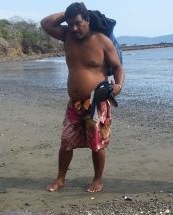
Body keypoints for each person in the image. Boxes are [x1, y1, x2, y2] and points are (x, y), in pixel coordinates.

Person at [41, 2, 125, 193]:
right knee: (66, 143)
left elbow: (119, 68)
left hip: (97, 101)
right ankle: (60, 178)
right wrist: (70, 13)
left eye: (78, 23)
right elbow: (46, 24)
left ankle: (97, 179)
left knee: (97, 144)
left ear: (87, 20)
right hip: (75, 104)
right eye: (70, 24)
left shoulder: (102, 40)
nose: (74, 28)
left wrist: (118, 86)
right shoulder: (67, 36)